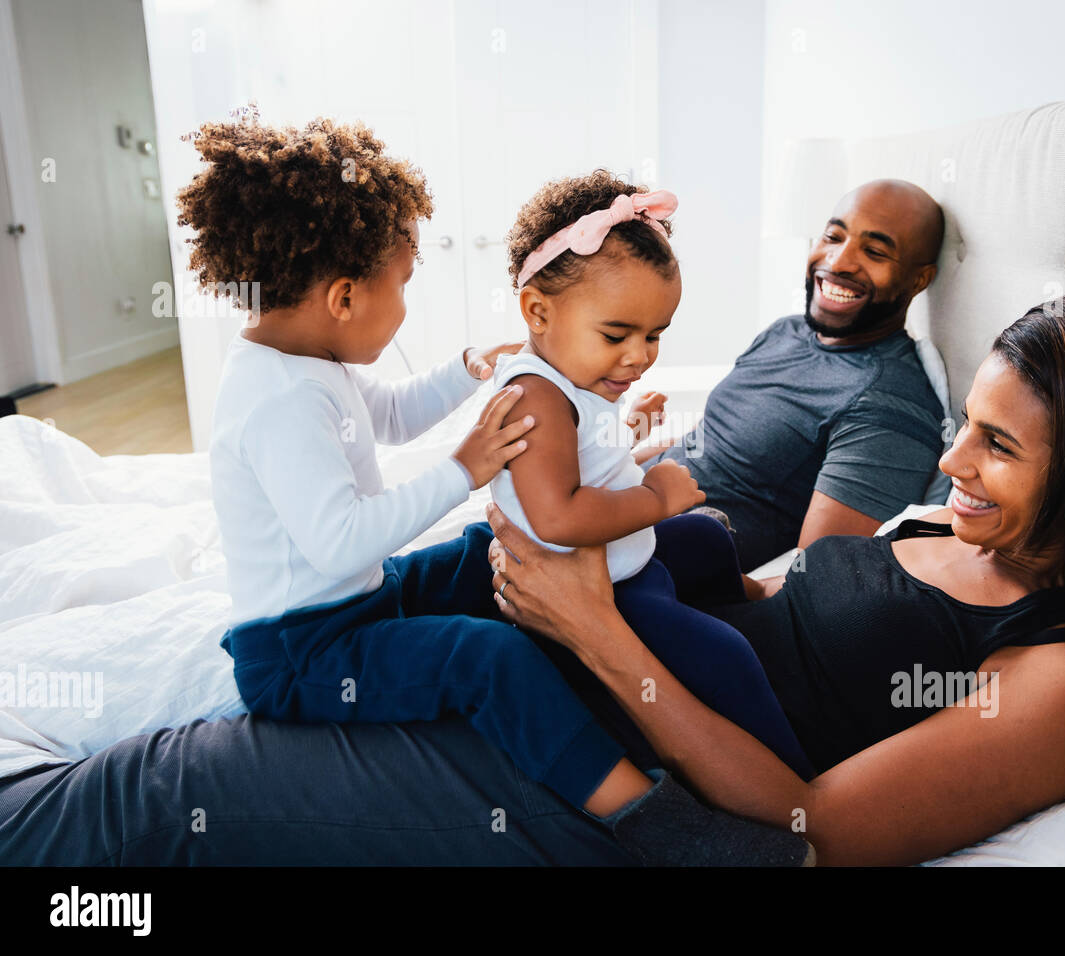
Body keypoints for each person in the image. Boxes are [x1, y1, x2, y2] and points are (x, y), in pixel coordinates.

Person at [180, 110, 811, 866]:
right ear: (344, 297)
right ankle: (651, 819)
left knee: (485, 550)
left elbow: (387, 417)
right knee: (488, 660)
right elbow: (339, 538)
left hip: (351, 601)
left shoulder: (307, 362)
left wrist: (466, 366)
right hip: (302, 654)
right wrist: (466, 469)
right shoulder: (278, 402)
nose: (407, 303)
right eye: (403, 285)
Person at [489, 291, 1065, 865]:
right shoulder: (946, 523)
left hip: (598, 776)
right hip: (590, 661)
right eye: (967, 423)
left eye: (996, 445)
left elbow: (816, 828)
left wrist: (594, 632)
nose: (951, 464)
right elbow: (783, 609)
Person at [488, 170, 815, 779]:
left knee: (711, 536)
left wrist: (626, 429)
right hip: (595, 588)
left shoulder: (573, 376)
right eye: (618, 334)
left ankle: (752, 600)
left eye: (655, 335)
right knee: (726, 657)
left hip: (627, 556)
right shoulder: (534, 395)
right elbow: (559, 519)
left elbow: (585, 453)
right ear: (537, 310)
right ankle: (797, 786)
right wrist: (657, 495)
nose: (639, 355)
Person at [636, 179, 950, 573]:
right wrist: (606, 466)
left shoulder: (887, 405)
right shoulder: (787, 331)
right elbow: (709, 440)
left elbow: (812, 583)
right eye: (833, 236)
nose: (838, 262)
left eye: (873, 251)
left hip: (648, 570)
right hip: (607, 512)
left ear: (919, 279)